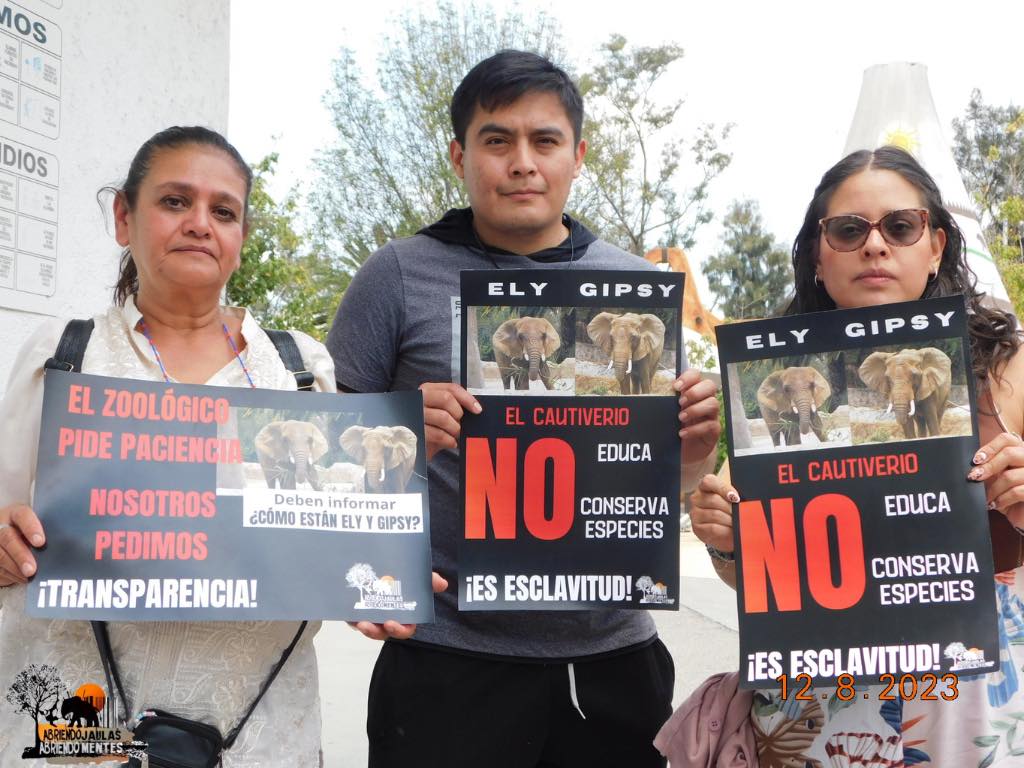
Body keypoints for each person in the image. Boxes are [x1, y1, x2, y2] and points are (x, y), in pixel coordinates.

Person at [327, 50, 721, 767]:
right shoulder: (396, 276)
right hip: (445, 659)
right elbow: (328, 458)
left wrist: (694, 448)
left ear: (578, 155)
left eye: (544, 141)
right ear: (459, 155)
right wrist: (396, 430)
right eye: (496, 140)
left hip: (612, 664)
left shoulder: (638, 290)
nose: (522, 162)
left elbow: (671, 484)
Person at [0, 126, 348, 765]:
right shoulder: (63, 359)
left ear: (240, 239)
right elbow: (6, 519)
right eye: (174, 202)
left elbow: (326, 544)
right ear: (123, 217)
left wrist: (377, 579)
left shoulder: (300, 372)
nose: (199, 224)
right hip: (82, 728)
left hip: (259, 730)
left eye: (223, 211)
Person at [691, 145, 1024, 767]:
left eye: (900, 227)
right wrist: (723, 539)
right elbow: (749, 574)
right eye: (849, 230)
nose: (875, 246)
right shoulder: (772, 371)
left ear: (937, 247)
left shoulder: (1010, 368)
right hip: (819, 706)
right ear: (818, 256)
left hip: (974, 702)